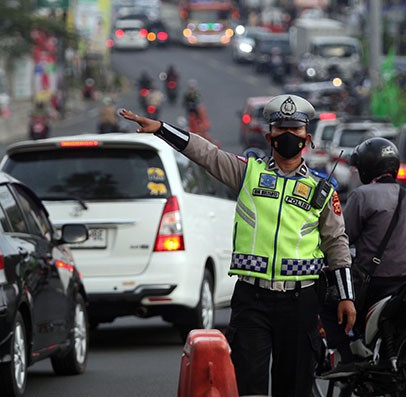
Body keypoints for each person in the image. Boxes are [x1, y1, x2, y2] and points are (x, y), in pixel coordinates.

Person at [120, 94, 356, 397]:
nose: (287, 136)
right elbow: (205, 153)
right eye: (280, 129)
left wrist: (346, 296)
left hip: (300, 301)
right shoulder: (248, 173)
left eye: (294, 131)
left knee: (295, 387)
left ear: (306, 138)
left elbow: (336, 243)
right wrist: (162, 129)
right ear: (269, 136)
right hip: (252, 300)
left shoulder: (320, 190)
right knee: (248, 385)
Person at [341, 137, 406, 332]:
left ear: (365, 168)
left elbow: (342, 239)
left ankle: (350, 351)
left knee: (330, 304)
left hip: (375, 284)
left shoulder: (362, 195)